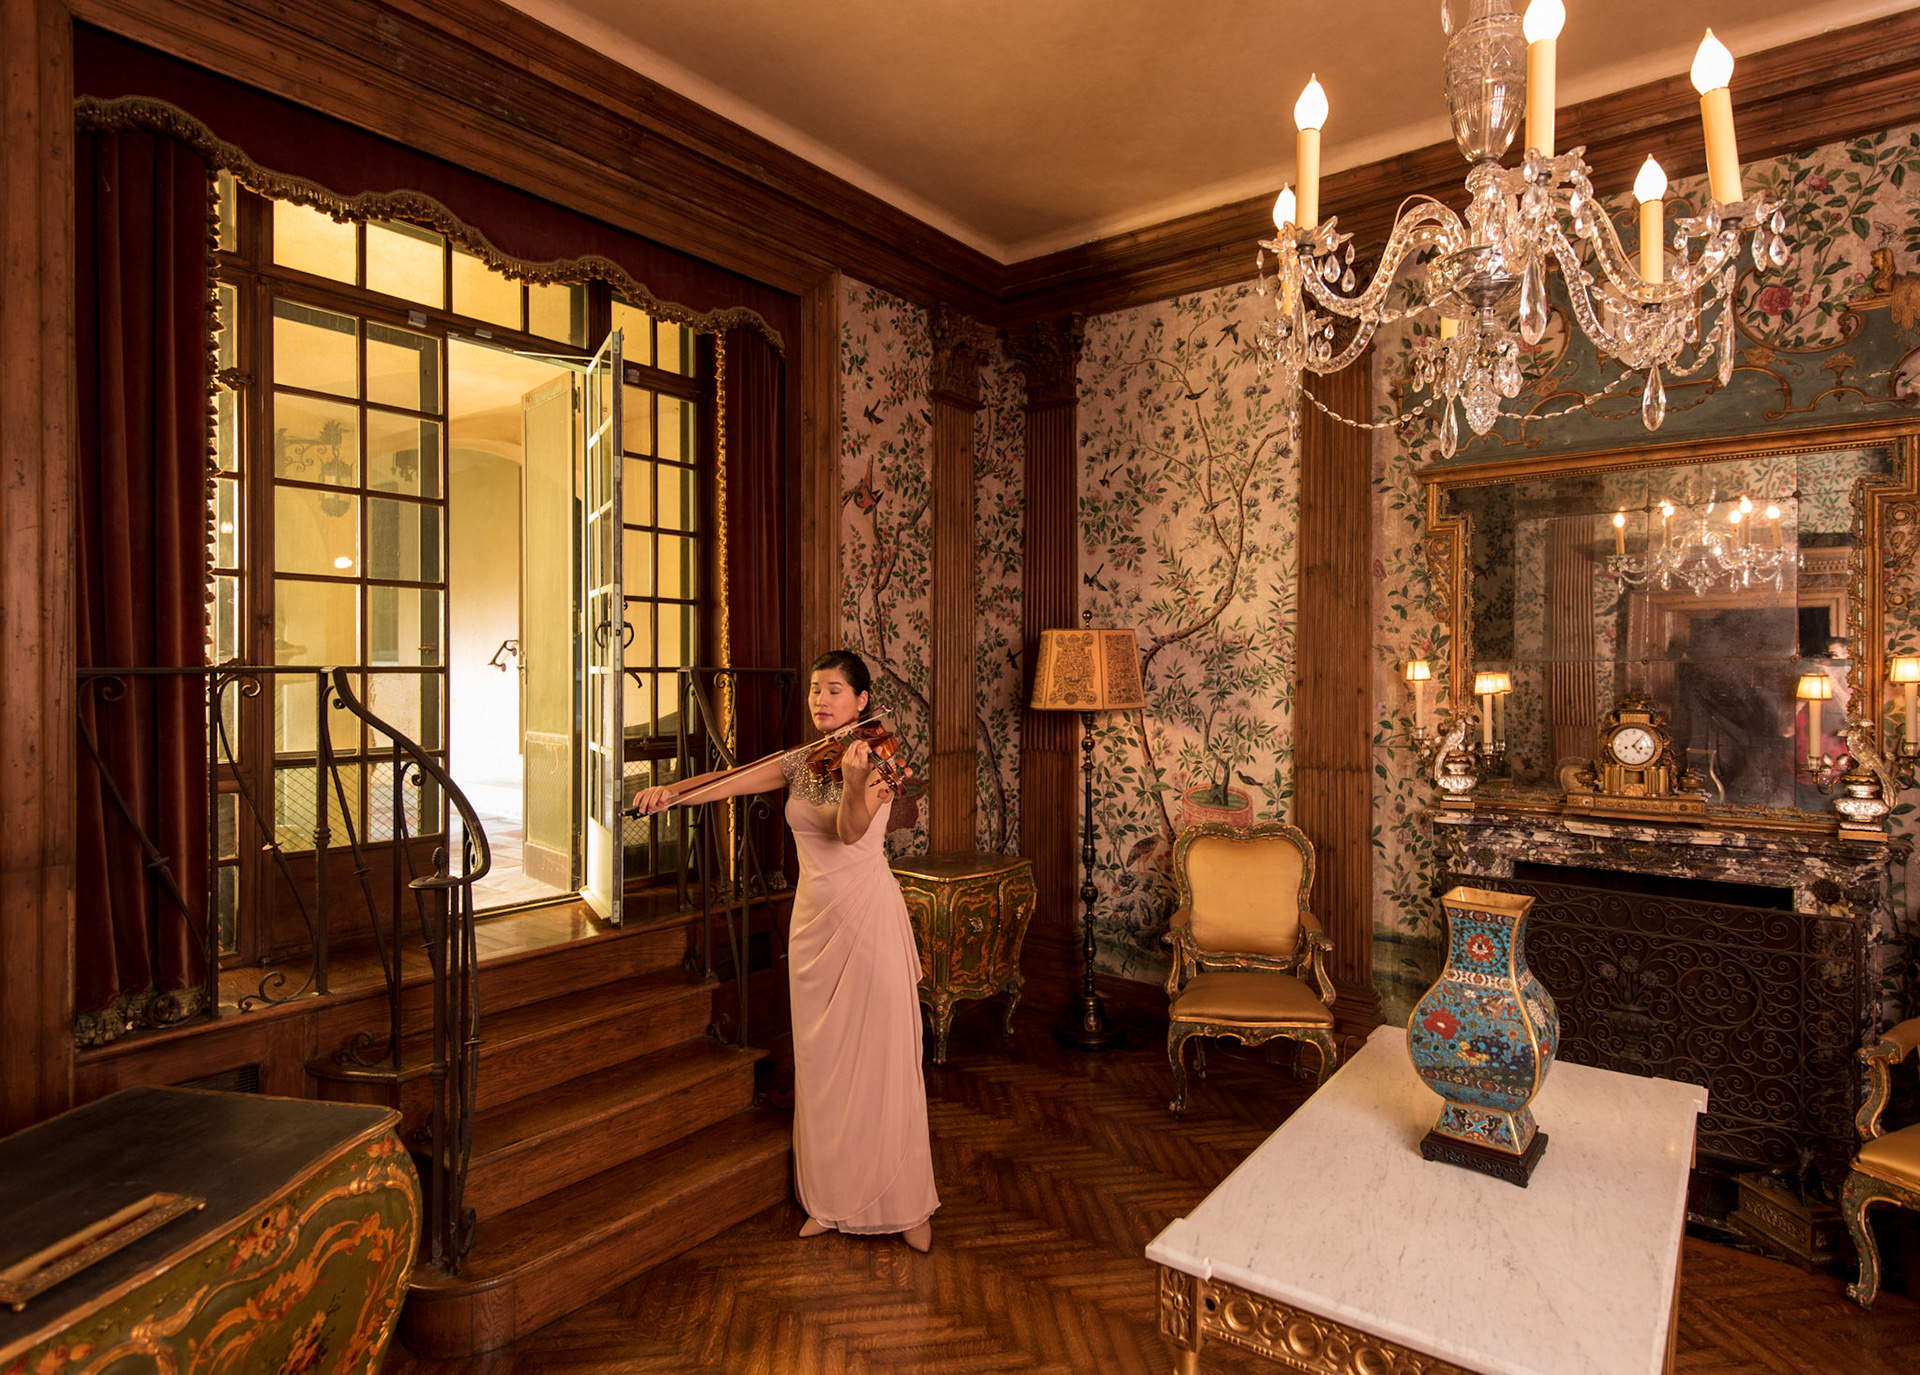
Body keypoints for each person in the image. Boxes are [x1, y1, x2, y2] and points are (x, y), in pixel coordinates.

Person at [630, 650, 939, 1252]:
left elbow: (849, 832)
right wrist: (672, 793)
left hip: (867, 919)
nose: (821, 699)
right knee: (823, 1066)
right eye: (816, 689)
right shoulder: (803, 760)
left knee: (882, 1060)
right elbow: (730, 781)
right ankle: (831, 1198)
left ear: (862, 701)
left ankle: (903, 1202)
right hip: (813, 923)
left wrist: (855, 782)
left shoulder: (878, 757)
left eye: (835, 690)